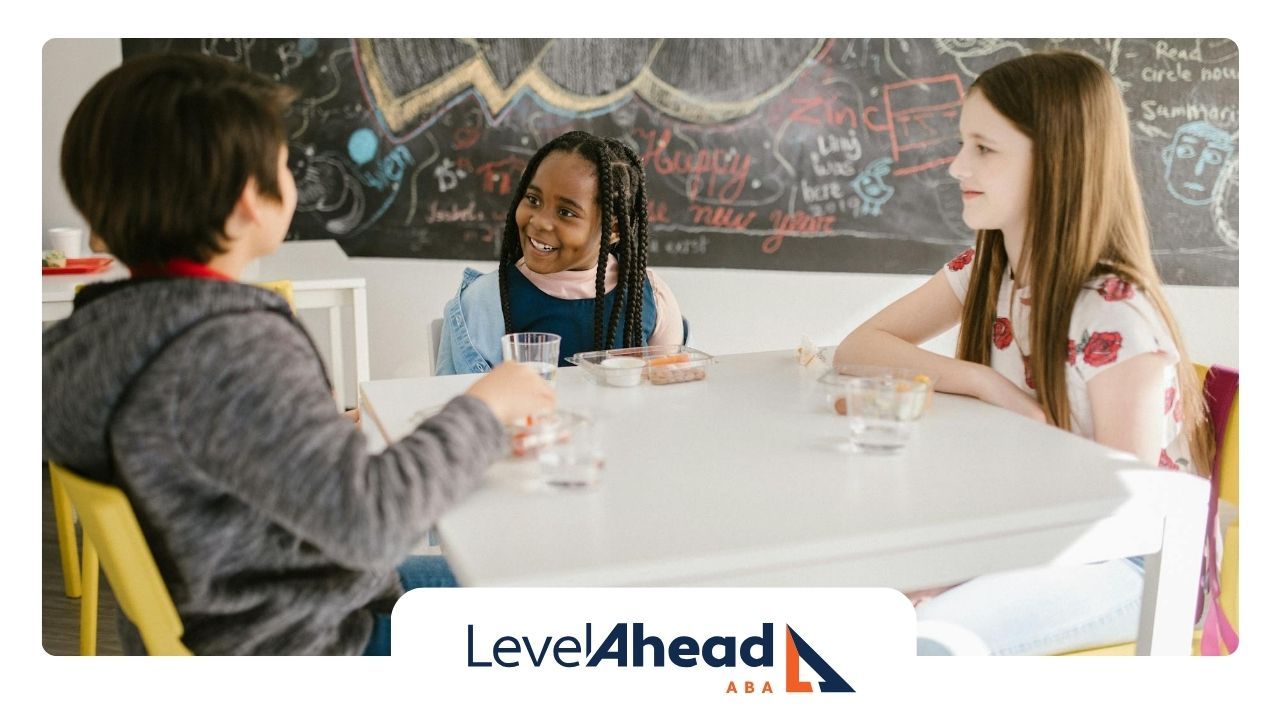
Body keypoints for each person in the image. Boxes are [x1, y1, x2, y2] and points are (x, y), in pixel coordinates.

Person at [42, 53, 554, 655]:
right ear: (246, 201)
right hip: (315, 639)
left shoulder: (99, 335)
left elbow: (195, 450)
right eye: (283, 164)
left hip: (235, 622)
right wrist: (484, 408)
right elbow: (372, 524)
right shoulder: (230, 348)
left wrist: (312, 431)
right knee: (564, 611)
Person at [834, 51, 1213, 655]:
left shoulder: (1115, 312)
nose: (958, 165)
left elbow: (1121, 515)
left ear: (1057, 161)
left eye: (984, 148)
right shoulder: (986, 268)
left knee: (913, 643)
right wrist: (987, 383)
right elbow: (856, 349)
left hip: (1133, 564)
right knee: (836, 605)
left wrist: (958, 569)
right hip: (1026, 531)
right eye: (964, 144)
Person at [436, 130, 684, 374]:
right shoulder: (486, 301)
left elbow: (668, 399)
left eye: (566, 212)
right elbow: (462, 408)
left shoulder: (649, 297)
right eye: (533, 199)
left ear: (614, 229)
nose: (540, 222)